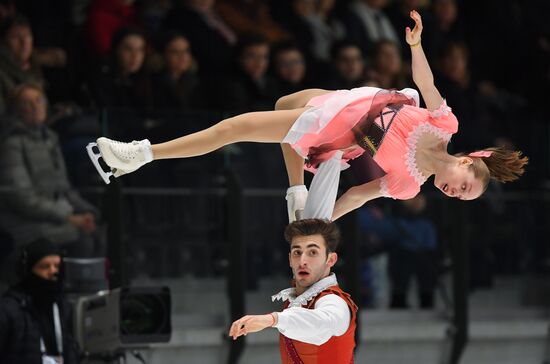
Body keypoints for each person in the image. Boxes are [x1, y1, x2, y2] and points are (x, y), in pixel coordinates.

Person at [88, 10, 527, 223]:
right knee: (282, 104)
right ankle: (295, 189)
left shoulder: (407, 183)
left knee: (232, 129)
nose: (453, 192)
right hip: (348, 98)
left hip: (336, 125)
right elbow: (427, 84)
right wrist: (415, 46)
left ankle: (142, 154)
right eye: (464, 187)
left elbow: (356, 197)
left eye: (458, 197)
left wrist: (317, 224)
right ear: (468, 161)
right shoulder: (443, 127)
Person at [228, 219, 357, 363]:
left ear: (331, 259)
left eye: (312, 252)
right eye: (297, 252)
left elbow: (323, 324)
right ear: (290, 259)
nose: (302, 261)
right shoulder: (298, 300)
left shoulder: (334, 301)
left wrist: (272, 319)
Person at [0, 83, 100, 256]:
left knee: (96, 232)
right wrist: (67, 216)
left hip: (53, 217)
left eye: (39, 100)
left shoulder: (50, 140)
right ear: (16, 110)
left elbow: (64, 189)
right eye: (27, 103)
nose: (35, 107)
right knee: (81, 240)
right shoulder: (11, 145)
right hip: (24, 222)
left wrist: (86, 211)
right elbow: (20, 197)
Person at [0, 238, 80, 364]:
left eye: (57, 266)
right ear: (28, 270)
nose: (53, 271)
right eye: (45, 266)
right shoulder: (9, 309)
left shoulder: (63, 306)